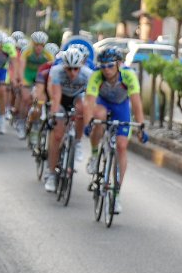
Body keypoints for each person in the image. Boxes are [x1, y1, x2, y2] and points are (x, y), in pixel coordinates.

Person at [83, 47, 148, 214]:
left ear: (119, 64)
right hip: (102, 103)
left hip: (121, 107)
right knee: (98, 116)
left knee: (121, 146)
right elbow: (89, 101)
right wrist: (88, 123)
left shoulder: (128, 75)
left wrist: (141, 126)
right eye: (103, 66)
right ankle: (95, 154)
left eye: (110, 65)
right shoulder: (96, 75)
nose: (106, 70)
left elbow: (136, 102)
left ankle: (117, 194)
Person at [43, 47, 92, 193]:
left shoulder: (88, 74)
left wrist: (89, 121)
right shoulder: (56, 71)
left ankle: (77, 142)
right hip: (62, 99)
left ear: (81, 66)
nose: (73, 73)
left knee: (82, 108)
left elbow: (90, 99)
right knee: (57, 136)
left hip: (77, 97)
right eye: (69, 69)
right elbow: (56, 97)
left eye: (76, 69)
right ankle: (51, 174)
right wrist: (54, 116)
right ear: (64, 66)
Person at [17, 31, 53, 140]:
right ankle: (21, 122)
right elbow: (21, 68)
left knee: (39, 101)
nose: (38, 47)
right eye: (36, 45)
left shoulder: (48, 54)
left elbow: (52, 70)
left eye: (41, 45)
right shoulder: (27, 51)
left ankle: (36, 125)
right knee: (26, 98)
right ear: (32, 44)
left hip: (40, 77)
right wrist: (21, 80)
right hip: (28, 76)